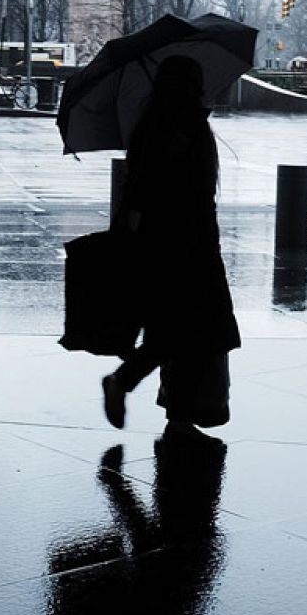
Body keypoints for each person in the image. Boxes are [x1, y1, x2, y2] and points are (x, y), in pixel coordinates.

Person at [100, 56, 240, 445]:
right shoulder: (178, 127)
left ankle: (177, 411)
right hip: (184, 244)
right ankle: (126, 383)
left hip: (167, 242)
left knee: (181, 326)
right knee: (187, 327)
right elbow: (176, 189)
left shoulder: (158, 124)